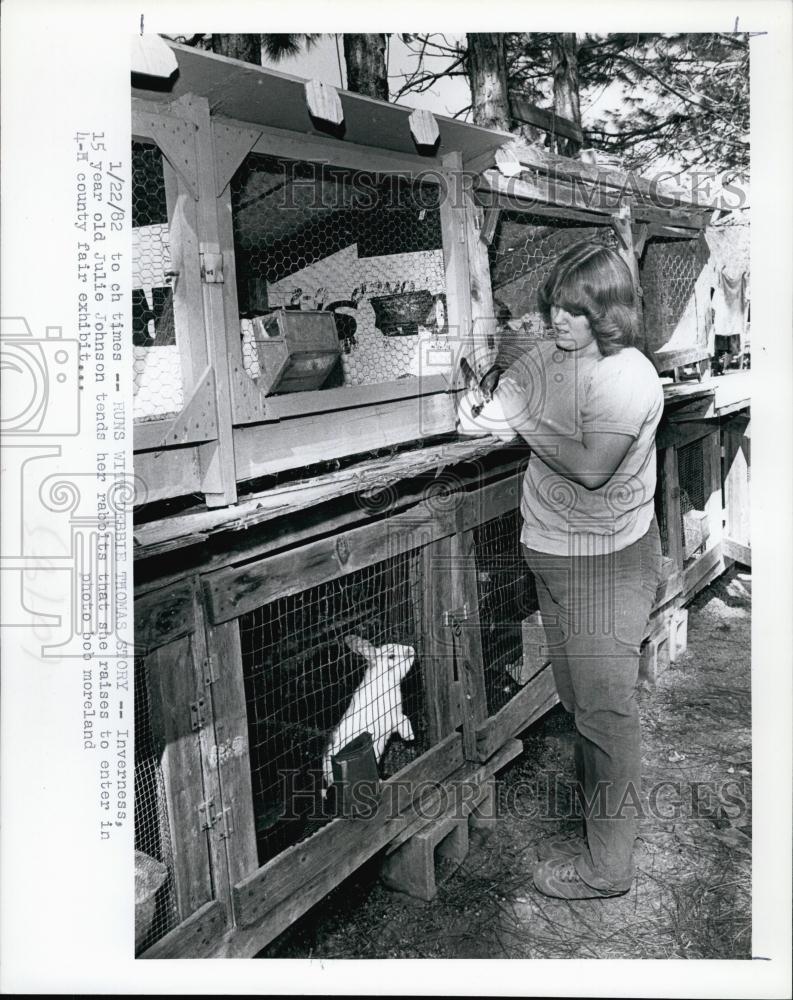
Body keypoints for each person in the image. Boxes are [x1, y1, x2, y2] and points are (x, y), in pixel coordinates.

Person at [496, 241, 664, 900]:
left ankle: (607, 870)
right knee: (578, 706)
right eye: (553, 308)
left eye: (573, 311)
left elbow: (591, 468)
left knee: (604, 713)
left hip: (606, 565)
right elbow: (516, 374)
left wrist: (517, 417)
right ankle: (599, 828)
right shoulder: (563, 357)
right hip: (555, 555)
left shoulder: (627, 375)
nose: (557, 322)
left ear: (608, 311)